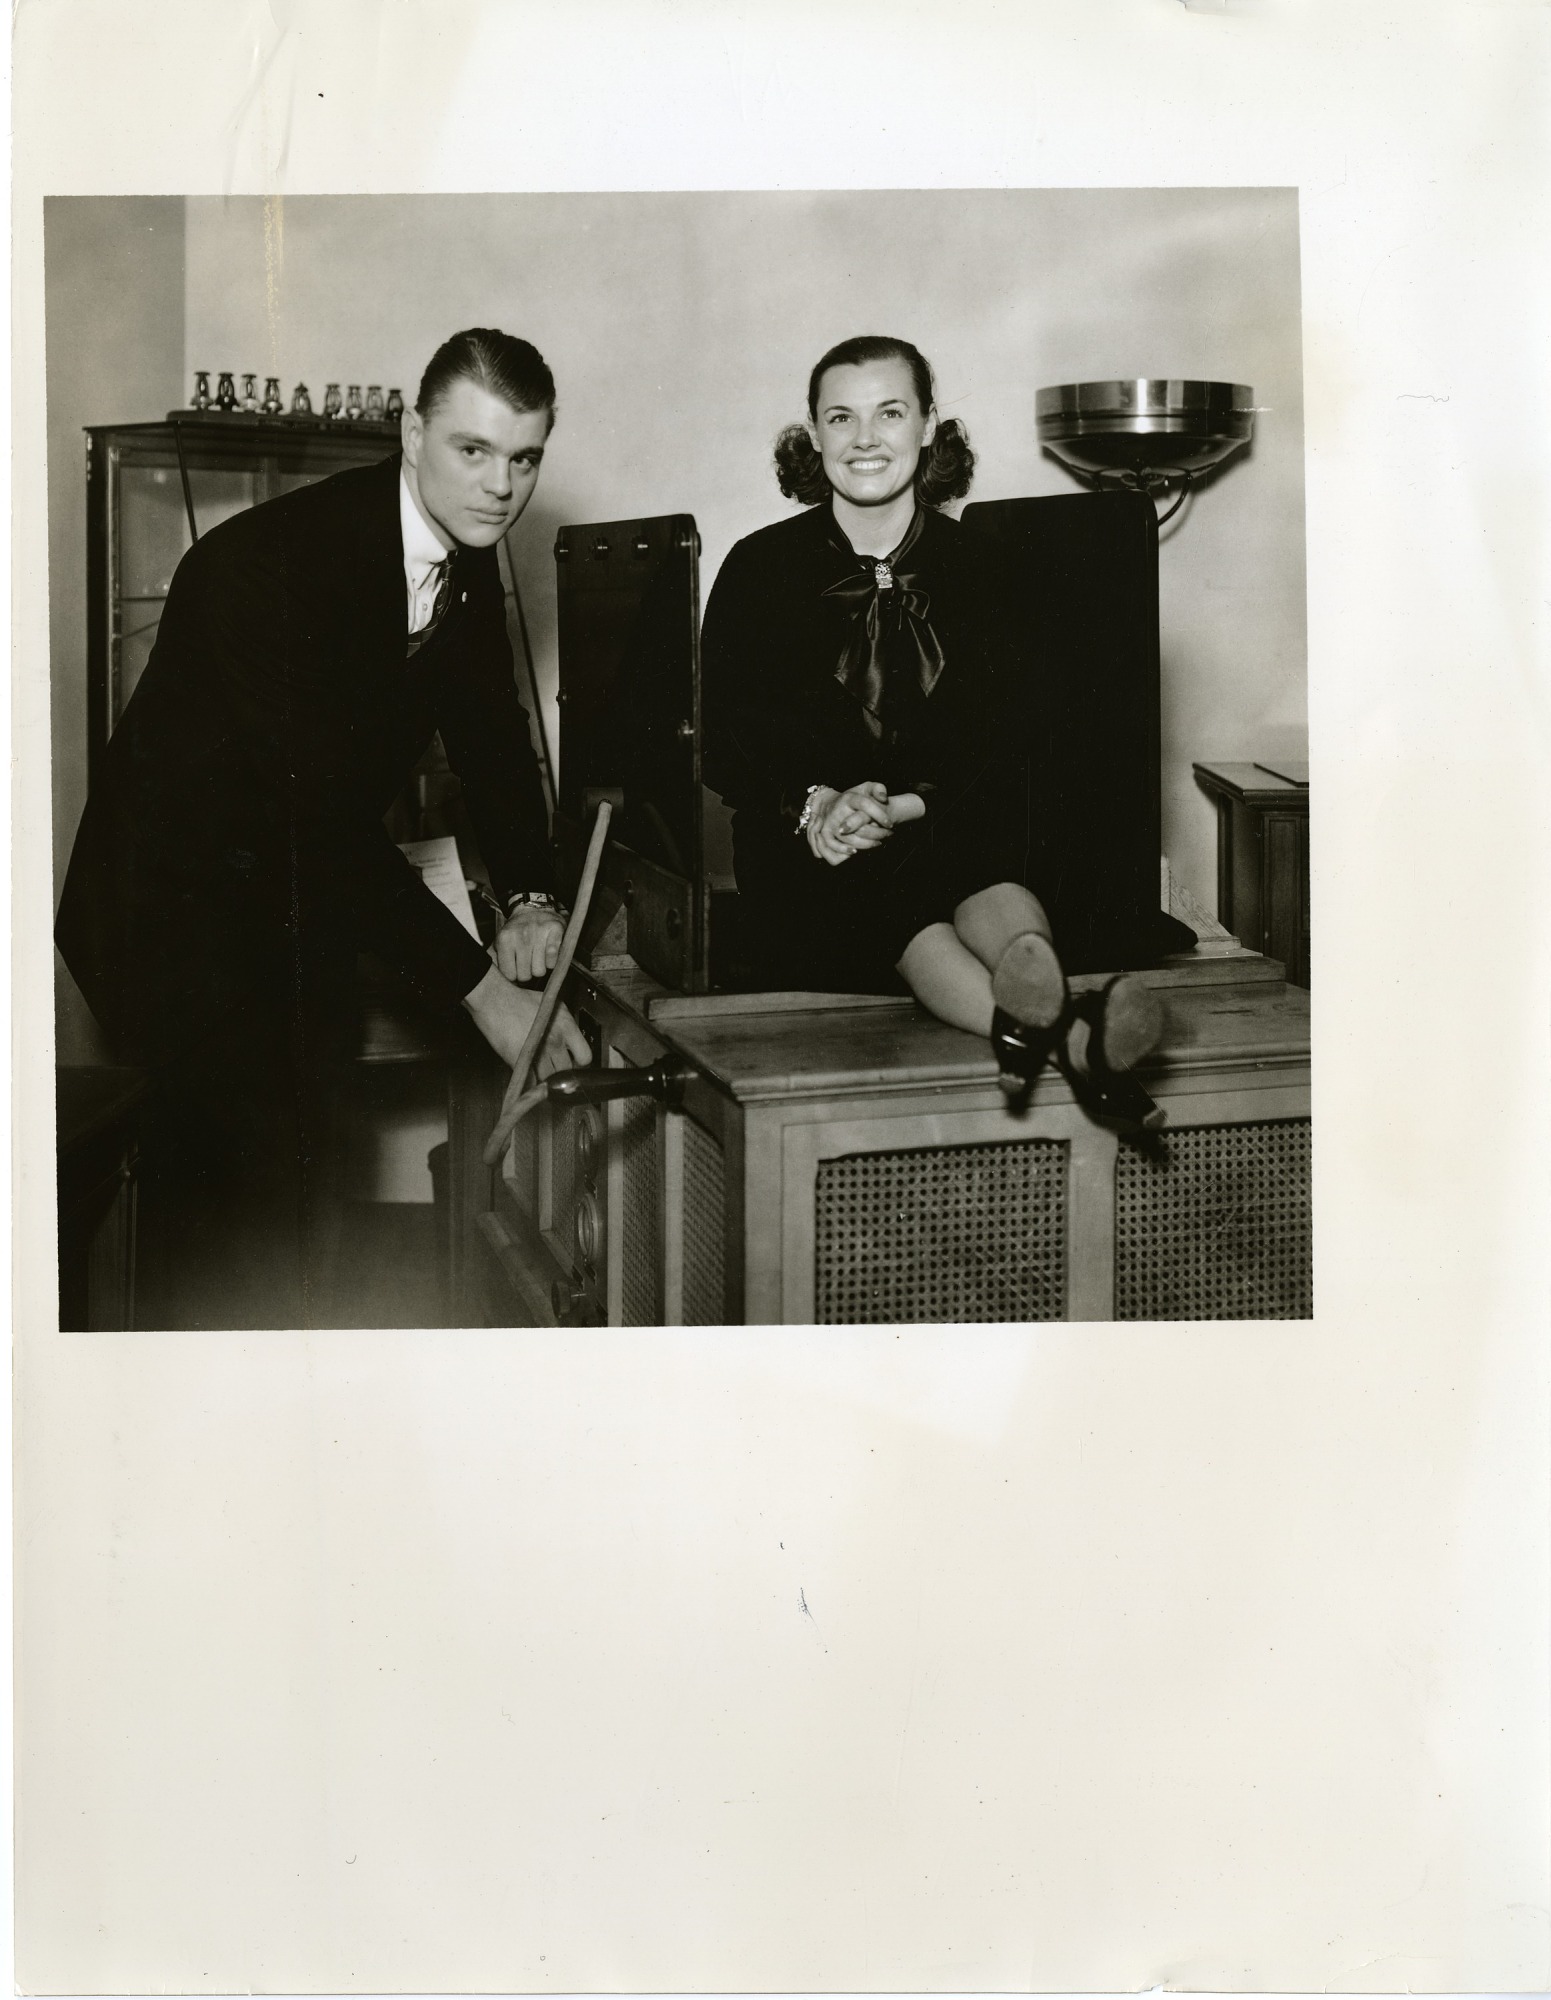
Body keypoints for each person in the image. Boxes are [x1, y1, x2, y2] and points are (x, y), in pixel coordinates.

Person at [55, 327, 590, 1326]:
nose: (500, 487)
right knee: (228, 1198)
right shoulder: (273, 565)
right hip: (162, 910)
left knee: (305, 1182)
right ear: (412, 432)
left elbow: (493, 740)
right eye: (473, 449)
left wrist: (530, 894)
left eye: (524, 459)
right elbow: (314, 819)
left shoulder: (463, 551)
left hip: (286, 886)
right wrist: (483, 991)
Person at [700, 333, 1167, 1131]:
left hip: (949, 820)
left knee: (992, 871)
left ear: (926, 425)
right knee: (889, 891)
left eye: (889, 413)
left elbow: (1008, 742)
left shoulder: (990, 567)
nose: (865, 438)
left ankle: (1037, 1016)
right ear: (813, 436)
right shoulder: (756, 567)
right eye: (840, 418)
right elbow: (725, 739)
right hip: (808, 842)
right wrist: (818, 806)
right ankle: (1074, 1045)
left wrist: (907, 805)